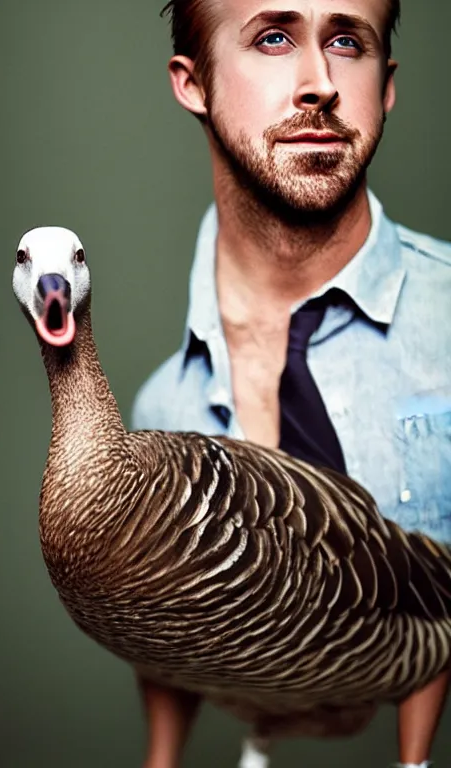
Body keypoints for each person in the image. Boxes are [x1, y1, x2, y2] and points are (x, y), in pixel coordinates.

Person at [131, 1, 451, 766]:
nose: (320, 83)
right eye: (274, 38)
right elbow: (163, 649)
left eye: (347, 41)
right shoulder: (160, 415)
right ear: (192, 82)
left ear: (387, 84)